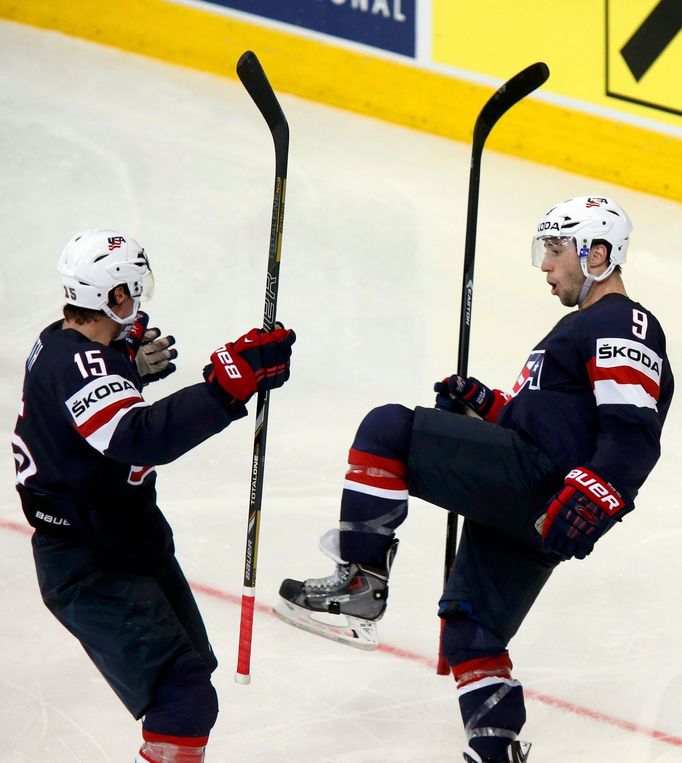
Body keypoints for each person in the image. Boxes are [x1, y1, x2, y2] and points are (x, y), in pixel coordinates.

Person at [273, 197, 674, 762]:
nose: (545, 265)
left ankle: (361, 582)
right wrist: (488, 405)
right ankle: (495, 749)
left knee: (389, 430)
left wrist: (597, 494)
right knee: (471, 629)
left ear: (599, 254)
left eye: (557, 251)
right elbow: (555, 421)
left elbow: (632, 431)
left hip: (547, 485)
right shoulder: (581, 326)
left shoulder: (621, 319)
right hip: (548, 508)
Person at [11, 230, 296, 763]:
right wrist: (224, 389)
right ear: (115, 296)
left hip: (125, 538)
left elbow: (86, 400)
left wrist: (128, 364)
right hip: (88, 559)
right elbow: (137, 437)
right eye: (133, 288)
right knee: (181, 694)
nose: (139, 300)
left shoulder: (71, 344)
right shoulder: (78, 363)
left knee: (192, 676)